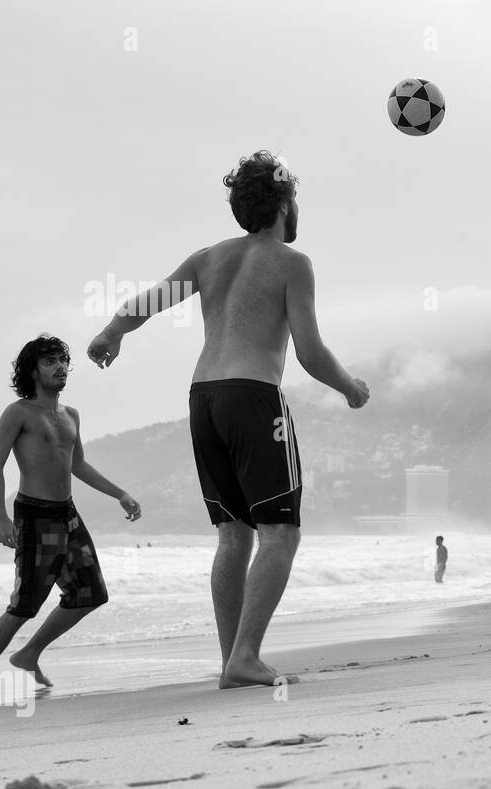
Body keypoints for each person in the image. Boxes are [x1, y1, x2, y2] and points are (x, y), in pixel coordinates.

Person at [86, 152, 370, 687]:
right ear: (285, 202)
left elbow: (146, 303)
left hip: (203, 397)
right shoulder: (294, 263)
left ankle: (232, 661)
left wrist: (111, 333)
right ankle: (245, 656)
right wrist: (351, 388)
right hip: (253, 397)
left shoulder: (208, 258)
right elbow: (308, 352)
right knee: (280, 533)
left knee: (233, 535)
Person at [0, 336, 141, 699]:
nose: (60, 367)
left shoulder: (71, 415)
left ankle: (29, 653)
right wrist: (1, 517)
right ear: (33, 370)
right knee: (24, 605)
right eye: (50, 362)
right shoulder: (18, 412)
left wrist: (120, 494)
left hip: (67, 514)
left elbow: (78, 465)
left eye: (63, 361)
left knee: (90, 593)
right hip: (34, 515)